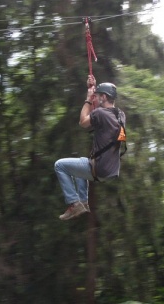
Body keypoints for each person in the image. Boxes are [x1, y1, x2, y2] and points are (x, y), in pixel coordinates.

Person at [54, 75, 126, 220]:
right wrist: (92, 88)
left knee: (59, 165)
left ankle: (74, 203)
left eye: (99, 96)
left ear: (104, 97)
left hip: (99, 169)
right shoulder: (120, 115)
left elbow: (83, 122)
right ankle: (84, 202)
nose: (97, 98)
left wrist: (88, 98)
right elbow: (96, 114)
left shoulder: (100, 113)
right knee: (82, 161)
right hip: (111, 169)